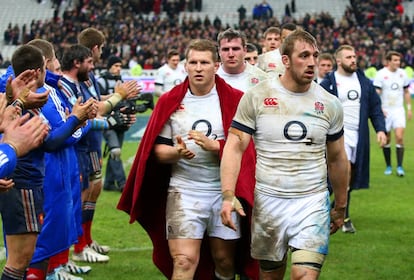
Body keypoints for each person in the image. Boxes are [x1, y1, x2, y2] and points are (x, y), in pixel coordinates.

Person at [118, 39, 258, 280]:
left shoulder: (236, 99)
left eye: (204, 62)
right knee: (183, 261)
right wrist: (177, 153)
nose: (198, 67)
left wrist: (216, 146)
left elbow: (248, 149)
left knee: (224, 261)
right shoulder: (170, 101)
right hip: (184, 190)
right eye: (193, 62)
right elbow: (158, 152)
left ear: (216, 65)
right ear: (185, 66)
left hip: (224, 192)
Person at [220, 30, 349, 280]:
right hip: (269, 202)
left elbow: (337, 158)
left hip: (312, 201)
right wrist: (227, 194)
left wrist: (341, 206)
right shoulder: (257, 97)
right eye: (304, 55)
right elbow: (235, 146)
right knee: (270, 276)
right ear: (286, 61)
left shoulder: (330, 103)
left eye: (315, 55)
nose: (311, 62)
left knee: (305, 276)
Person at [0, 44, 89, 280]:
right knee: (21, 260)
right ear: (39, 70)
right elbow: (49, 141)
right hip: (25, 182)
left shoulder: (23, 97)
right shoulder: (34, 99)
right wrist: (77, 120)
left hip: (21, 178)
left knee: (24, 257)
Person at [24, 39, 98, 280]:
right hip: (45, 171)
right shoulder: (40, 94)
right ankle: (49, 271)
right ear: (45, 63)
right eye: (55, 59)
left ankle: (55, 270)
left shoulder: (46, 89)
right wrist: (78, 120)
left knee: (53, 230)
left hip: (55, 169)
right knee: (42, 237)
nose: (58, 63)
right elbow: (55, 139)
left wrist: (76, 120)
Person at [320, 44, 386, 233]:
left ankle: (334, 210)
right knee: (343, 173)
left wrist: (380, 130)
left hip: (359, 136)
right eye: (348, 57)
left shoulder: (363, 81)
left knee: (350, 178)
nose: (353, 60)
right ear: (339, 61)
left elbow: (375, 107)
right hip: (339, 135)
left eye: (354, 56)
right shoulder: (329, 82)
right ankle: (342, 217)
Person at [373, 50, 412, 176]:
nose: (397, 62)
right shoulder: (381, 74)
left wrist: (409, 108)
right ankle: (389, 166)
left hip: (398, 110)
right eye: (395, 60)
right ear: (388, 61)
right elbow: (377, 93)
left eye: (399, 60)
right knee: (387, 139)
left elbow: (406, 92)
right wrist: (379, 109)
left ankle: (400, 167)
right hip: (385, 110)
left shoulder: (403, 74)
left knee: (400, 137)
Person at [97, 55, 129, 192]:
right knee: (115, 150)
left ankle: (109, 183)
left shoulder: (120, 81)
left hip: (119, 121)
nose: (118, 69)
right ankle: (123, 184)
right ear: (109, 66)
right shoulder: (101, 82)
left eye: (120, 66)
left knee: (114, 151)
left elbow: (124, 102)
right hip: (106, 121)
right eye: (116, 66)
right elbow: (98, 101)